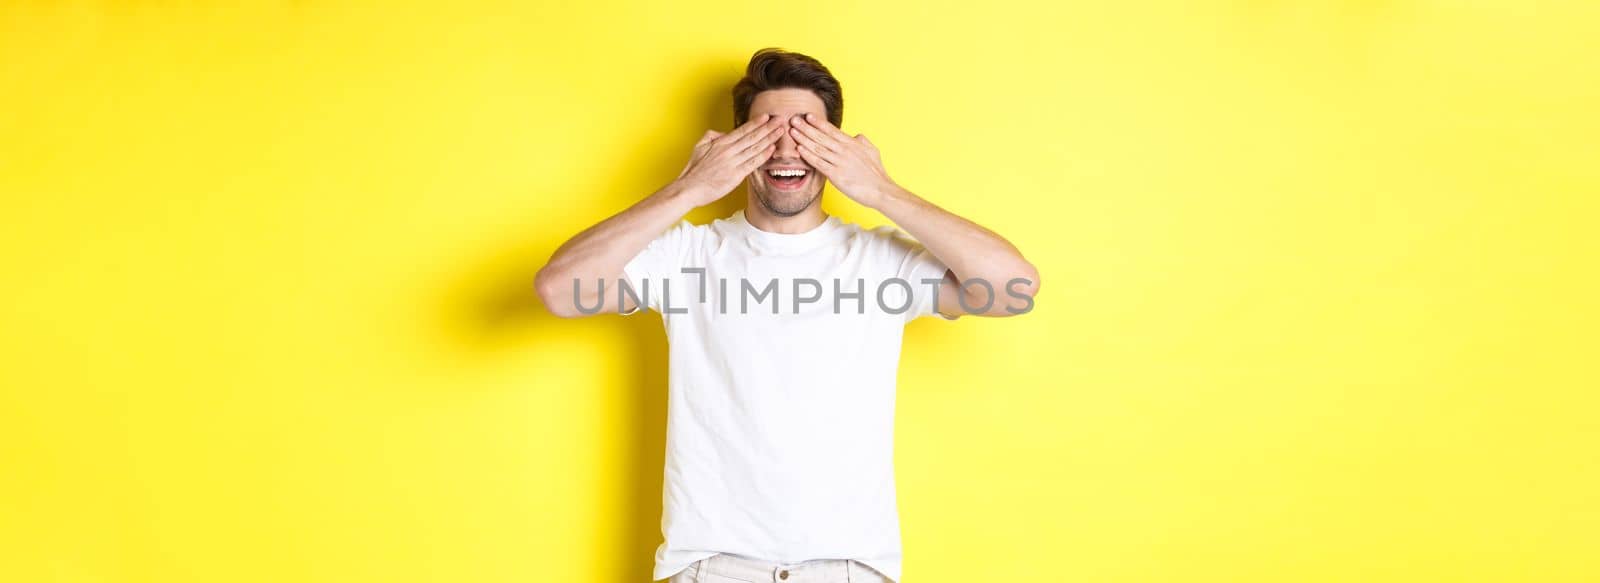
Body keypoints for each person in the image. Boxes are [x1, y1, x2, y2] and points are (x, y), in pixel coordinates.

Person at [534, 47, 1040, 583]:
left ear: (837, 147)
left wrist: (879, 190)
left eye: (806, 131)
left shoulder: (881, 262)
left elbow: (1014, 289)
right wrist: (691, 188)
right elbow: (560, 291)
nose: (784, 148)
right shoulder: (685, 258)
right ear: (735, 147)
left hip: (848, 567)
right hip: (711, 565)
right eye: (764, 131)